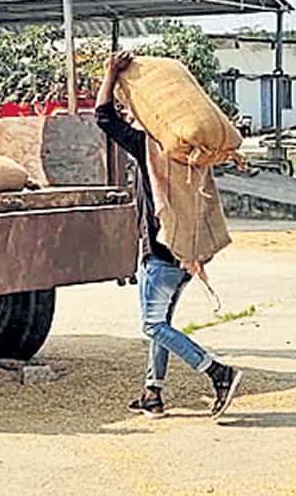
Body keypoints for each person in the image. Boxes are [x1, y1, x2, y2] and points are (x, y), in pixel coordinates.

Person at [95, 51, 242, 421]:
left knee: (152, 324)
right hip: (185, 252)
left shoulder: (151, 148)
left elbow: (103, 116)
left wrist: (111, 75)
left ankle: (218, 373)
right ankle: (152, 393)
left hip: (159, 253)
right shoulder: (194, 153)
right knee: (161, 324)